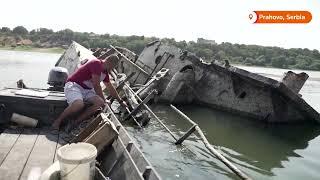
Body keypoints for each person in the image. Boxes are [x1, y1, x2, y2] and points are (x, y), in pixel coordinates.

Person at [51, 54, 127, 130]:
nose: (111, 69)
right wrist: (104, 100)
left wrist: (120, 101)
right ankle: (58, 121)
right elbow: (96, 85)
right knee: (79, 104)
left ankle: (75, 122)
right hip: (74, 85)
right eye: (112, 67)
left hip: (87, 90)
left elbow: (110, 88)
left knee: (99, 103)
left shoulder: (105, 73)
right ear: (108, 62)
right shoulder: (96, 63)